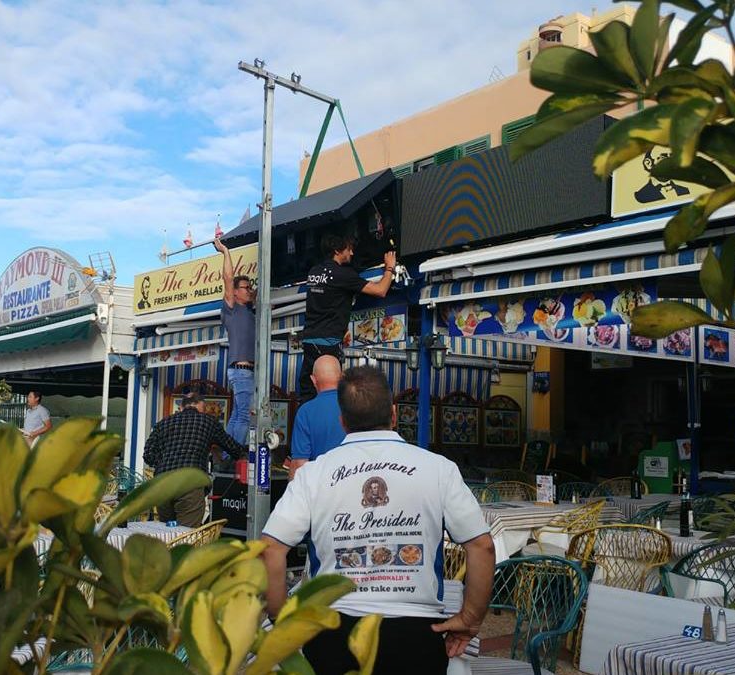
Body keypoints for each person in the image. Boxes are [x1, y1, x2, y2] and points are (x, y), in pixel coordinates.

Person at [261, 367, 495, 675]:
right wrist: (470, 619)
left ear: (342, 421)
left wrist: (282, 619)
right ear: (395, 414)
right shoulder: (439, 469)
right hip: (415, 635)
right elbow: (481, 545)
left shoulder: (313, 474)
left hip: (333, 631)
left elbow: (270, 548)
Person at [298, 234, 397, 402]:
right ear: (337, 250)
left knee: (308, 393)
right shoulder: (343, 275)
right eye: (349, 249)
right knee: (331, 395)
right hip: (328, 344)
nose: (351, 253)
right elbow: (380, 290)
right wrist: (389, 269)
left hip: (309, 342)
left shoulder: (313, 272)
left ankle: (306, 425)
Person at [143, 392, 247, 527]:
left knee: (167, 533)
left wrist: (165, 462)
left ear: (182, 407)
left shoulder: (163, 423)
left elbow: (148, 455)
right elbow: (234, 448)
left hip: (163, 484)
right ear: (199, 406)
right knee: (187, 535)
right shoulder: (208, 422)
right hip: (190, 483)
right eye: (204, 410)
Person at [214, 237, 256, 444]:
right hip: (242, 369)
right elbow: (228, 278)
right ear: (236, 292)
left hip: (241, 369)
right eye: (245, 287)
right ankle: (234, 454)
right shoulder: (232, 308)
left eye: (250, 287)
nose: (249, 290)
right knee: (245, 416)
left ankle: (225, 452)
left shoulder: (249, 310)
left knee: (237, 415)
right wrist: (226, 252)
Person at [288, 355, 345, 479]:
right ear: (341, 377)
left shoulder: (305, 412)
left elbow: (300, 464)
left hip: (321, 490)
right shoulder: (356, 406)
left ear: (313, 380)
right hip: (354, 488)